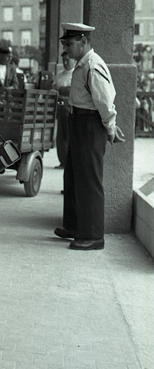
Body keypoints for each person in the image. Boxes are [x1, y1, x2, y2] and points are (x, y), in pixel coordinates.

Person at [54, 23, 125, 251]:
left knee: (89, 180)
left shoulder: (93, 65)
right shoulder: (82, 64)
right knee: (74, 176)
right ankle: (76, 227)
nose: (66, 48)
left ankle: (94, 236)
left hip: (90, 124)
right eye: (65, 43)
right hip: (79, 122)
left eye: (69, 43)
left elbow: (105, 101)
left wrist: (110, 127)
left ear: (83, 41)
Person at [54, 50, 75, 167]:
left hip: (70, 108)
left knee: (69, 135)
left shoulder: (75, 74)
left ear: (73, 60)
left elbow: (73, 91)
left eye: (68, 60)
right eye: (63, 60)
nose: (65, 63)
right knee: (61, 135)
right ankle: (62, 161)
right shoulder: (59, 75)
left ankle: (69, 162)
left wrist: (61, 89)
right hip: (60, 107)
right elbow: (53, 88)